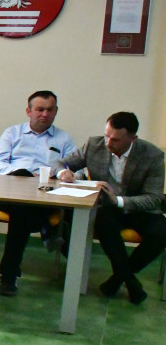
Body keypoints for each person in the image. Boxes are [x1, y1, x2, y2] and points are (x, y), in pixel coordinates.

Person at [53, 112, 166, 305]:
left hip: (138, 208)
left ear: (133, 139)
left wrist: (120, 201)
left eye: (115, 139)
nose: (108, 143)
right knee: (104, 221)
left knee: (162, 232)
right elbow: (60, 162)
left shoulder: (153, 155)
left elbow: (154, 198)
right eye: (107, 136)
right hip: (108, 210)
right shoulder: (93, 145)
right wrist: (63, 171)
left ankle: (117, 279)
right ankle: (129, 281)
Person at [0, 90, 76, 295]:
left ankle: (8, 275)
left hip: (45, 196)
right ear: (29, 111)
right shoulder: (12, 133)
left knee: (23, 212)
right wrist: (23, 175)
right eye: (39, 109)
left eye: (50, 110)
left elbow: (76, 170)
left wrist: (63, 174)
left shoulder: (64, 139)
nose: (44, 114)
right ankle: (47, 228)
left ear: (56, 112)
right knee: (23, 209)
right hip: (10, 193)